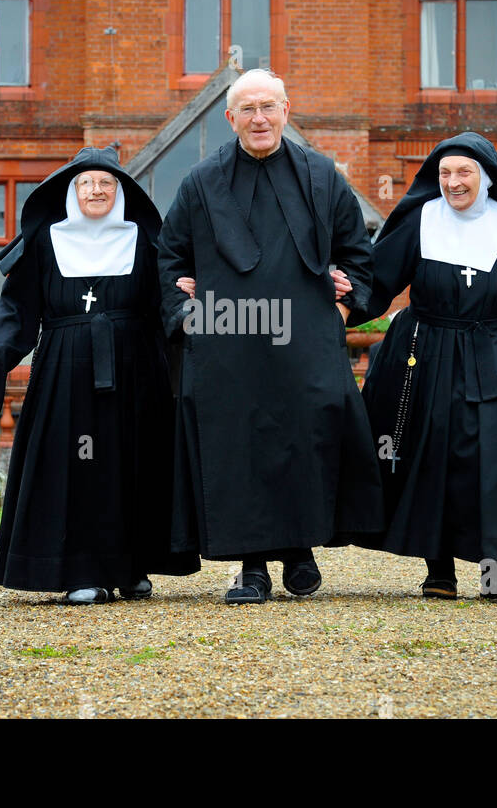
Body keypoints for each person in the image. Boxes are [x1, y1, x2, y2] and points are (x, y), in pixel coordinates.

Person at [158, 68, 384, 604]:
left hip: (304, 339)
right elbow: (169, 257)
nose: (259, 118)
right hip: (226, 341)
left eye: (268, 107)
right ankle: (252, 567)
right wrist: (185, 307)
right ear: (230, 118)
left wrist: (346, 302)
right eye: (247, 110)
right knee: (239, 446)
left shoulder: (324, 176)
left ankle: (301, 551)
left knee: (305, 439)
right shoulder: (199, 183)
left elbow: (358, 252)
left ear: (286, 110)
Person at [0, 146, 199, 605]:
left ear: (120, 191)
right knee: (76, 466)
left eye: (106, 183)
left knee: (131, 464)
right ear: (71, 191)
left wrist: (192, 312)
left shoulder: (145, 241)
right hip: (64, 370)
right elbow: (18, 309)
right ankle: (81, 571)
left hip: (135, 368)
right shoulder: (47, 242)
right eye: (86, 183)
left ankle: (131, 567)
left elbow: (166, 304)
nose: (96, 190)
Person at [345, 132, 497, 599]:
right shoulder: (421, 219)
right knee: (432, 453)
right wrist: (336, 303)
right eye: (444, 173)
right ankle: (438, 568)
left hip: (496, 347)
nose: (452, 182)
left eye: (463, 172)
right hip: (427, 349)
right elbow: (377, 280)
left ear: (485, 177)